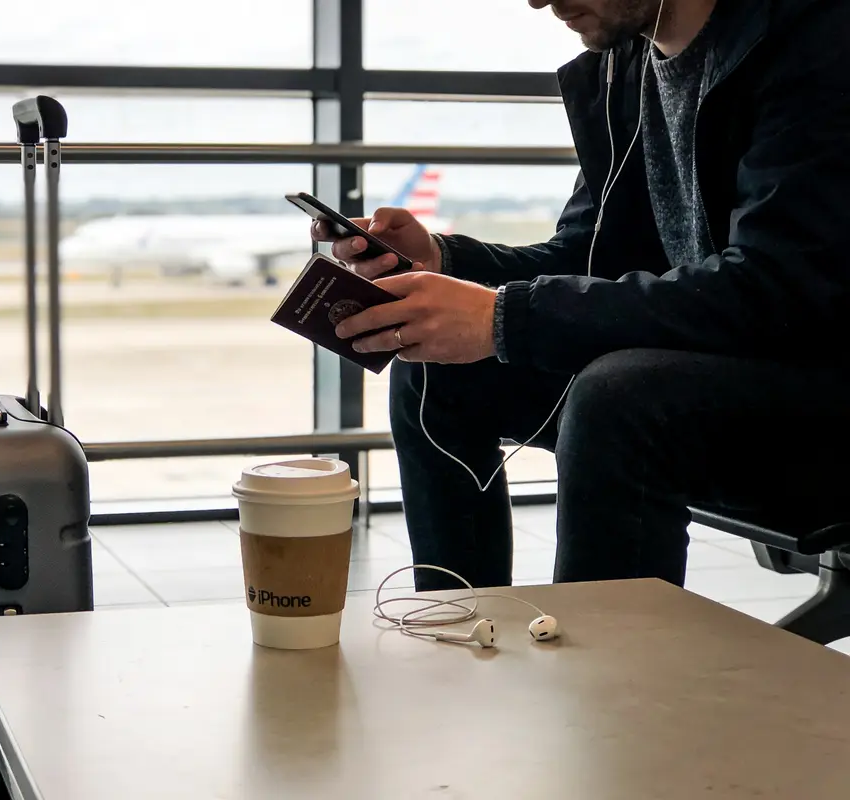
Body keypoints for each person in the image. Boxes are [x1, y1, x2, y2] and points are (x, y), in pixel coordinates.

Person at [313, 0, 850, 592]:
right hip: (722, 369)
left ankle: (608, 680)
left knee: (621, 395)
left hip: (819, 391)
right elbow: (586, 258)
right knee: (437, 367)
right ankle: (456, 632)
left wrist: (501, 317)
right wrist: (447, 262)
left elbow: (777, 289)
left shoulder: (817, 38)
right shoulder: (623, 72)